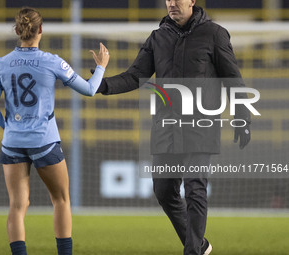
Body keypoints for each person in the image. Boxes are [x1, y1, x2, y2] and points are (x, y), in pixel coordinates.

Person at [96, 1, 251, 255]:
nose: (171, 3)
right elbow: (136, 75)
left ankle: (192, 251)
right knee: (164, 190)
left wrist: (242, 116)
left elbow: (232, 78)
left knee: (195, 188)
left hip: (201, 127)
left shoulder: (214, 34)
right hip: (166, 128)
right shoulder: (158, 37)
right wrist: (102, 85)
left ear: (191, 1)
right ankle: (199, 246)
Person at [0, 7, 109, 255]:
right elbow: (89, 90)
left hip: (12, 142)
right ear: (40, 30)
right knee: (60, 200)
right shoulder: (51, 61)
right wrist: (102, 68)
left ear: (18, 30)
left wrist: (10, 128)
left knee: (17, 206)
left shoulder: (0, 64)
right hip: (44, 141)